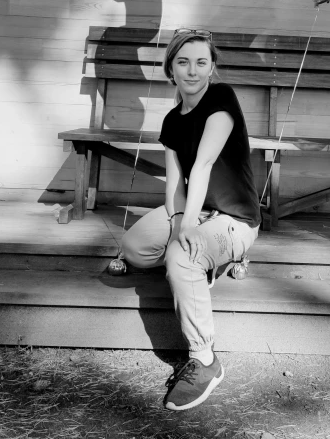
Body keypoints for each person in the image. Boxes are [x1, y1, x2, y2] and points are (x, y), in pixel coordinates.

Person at [121, 28, 261, 411]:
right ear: (171, 69)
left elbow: (203, 164)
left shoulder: (222, 97)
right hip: (198, 210)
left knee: (180, 256)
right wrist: (183, 217)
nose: (193, 71)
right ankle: (199, 266)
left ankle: (204, 360)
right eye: (183, 62)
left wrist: (186, 231)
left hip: (234, 218)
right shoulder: (171, 121)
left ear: (212, 67)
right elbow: (175, 184)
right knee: (133, 248)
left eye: (201, 62)